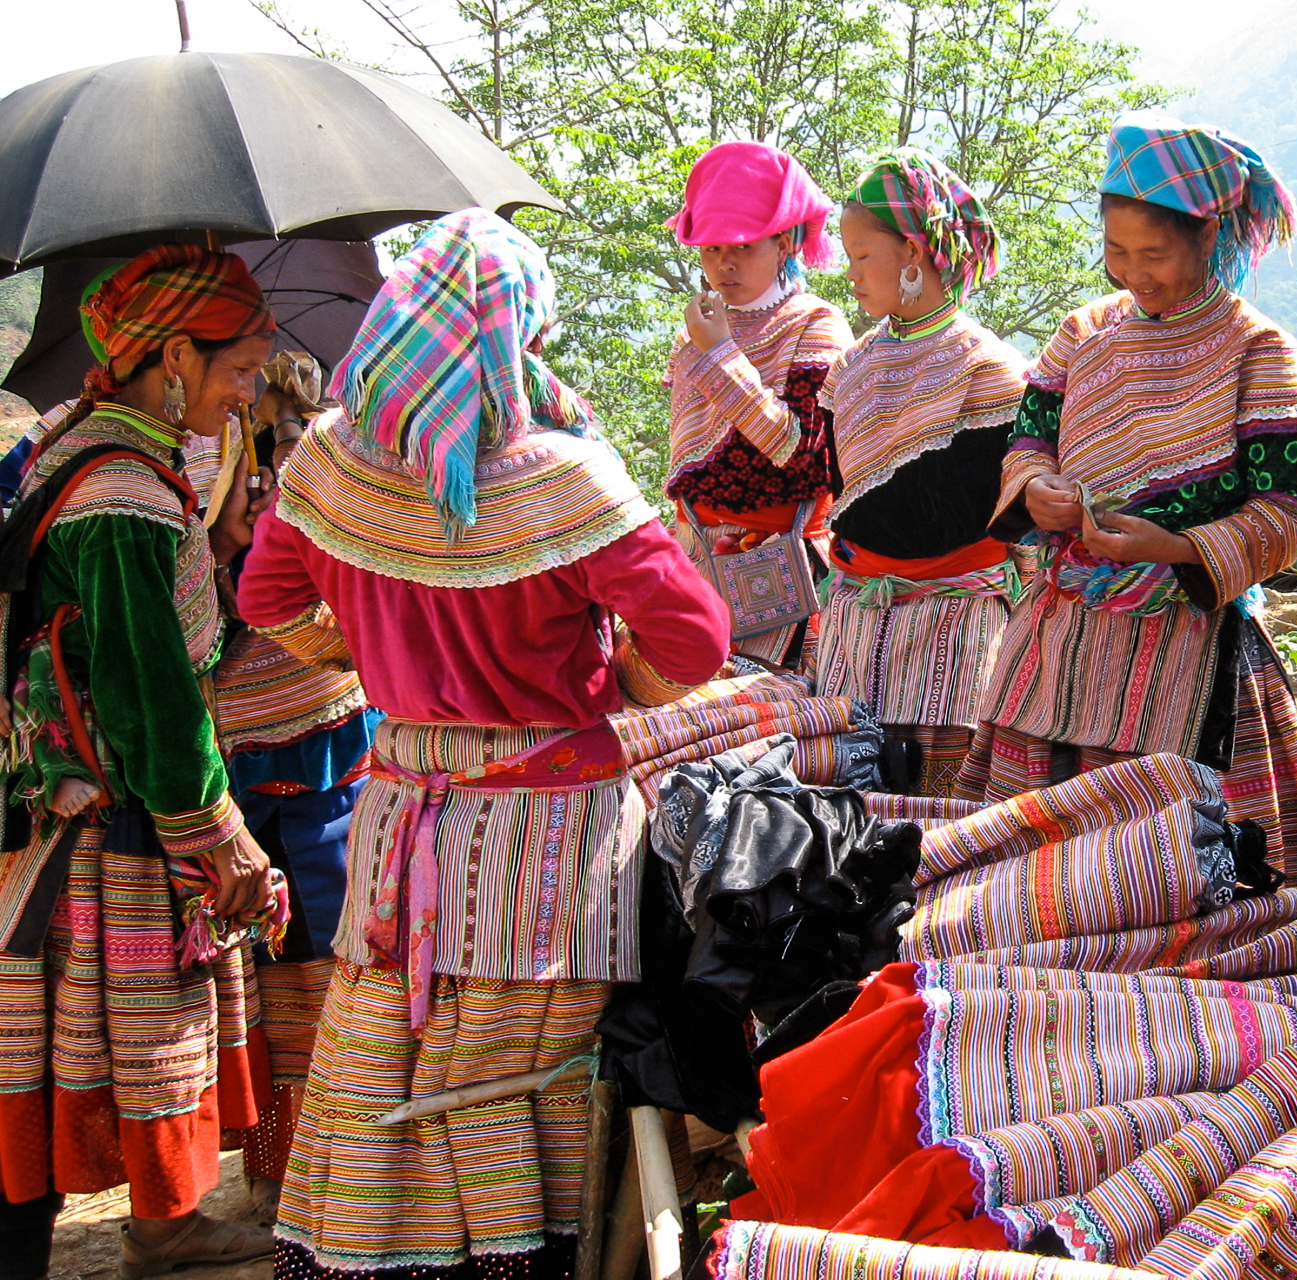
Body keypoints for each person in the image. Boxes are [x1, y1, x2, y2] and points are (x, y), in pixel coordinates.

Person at [240, 209, 729, 1280]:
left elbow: (265, 592)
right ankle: (517, 1255)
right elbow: (697, 637)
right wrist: (612, 686)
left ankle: (366, 1250)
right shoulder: (562, 475)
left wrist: (372, 660)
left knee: (382, 1042)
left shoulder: (333, 464)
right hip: (544, 831)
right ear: (516, 336)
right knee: (523, 1060)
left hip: (399, 806)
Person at [958, 111, 1297, 886]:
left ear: (1208, 238)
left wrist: (1172, 547)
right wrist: (1041, 490)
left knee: (1169, 876)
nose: (1134, 272)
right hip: (1056, 644)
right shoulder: (1082, 335)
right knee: (1029, 876)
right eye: (1117, 251)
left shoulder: (1259, 353)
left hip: (1188, 643)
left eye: (1155, 253)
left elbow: (1292, 511)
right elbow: (1028, 443)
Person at [0, 245, 285, 1276]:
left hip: (88, 795)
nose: (249, 391)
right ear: (173, 354)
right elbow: (146, 688)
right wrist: (221, 834)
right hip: (112, 811)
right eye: (241, 367)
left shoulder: (86, 445)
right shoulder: (119, 489)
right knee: (102, 1034)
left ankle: (163, 1222)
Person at [210, 352, 383, 1222]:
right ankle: (284, 1177)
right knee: (282, 968)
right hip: (252, 753)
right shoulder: (201, 469)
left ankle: (336, 1167)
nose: (252, 397)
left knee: (342, 953)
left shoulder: (325, 458)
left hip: (335, 740)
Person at [816, 149, 1027, 797]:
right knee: (842, 817)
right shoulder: (847, 371)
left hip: (952, 631)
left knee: (938, 820)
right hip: (854, 628)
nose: (850, 274)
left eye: (860, 255)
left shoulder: (987, 370)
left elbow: (998, 512)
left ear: (912, 252)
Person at [665, 141, 854, 669]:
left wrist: (721, 354)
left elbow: (802, 457)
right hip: (695, 556)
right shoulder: (694, 335)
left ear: (786, 242)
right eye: (710, 249)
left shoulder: (816, 325)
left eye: (743, 246)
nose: (723, 263)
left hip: (780, 566)